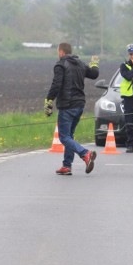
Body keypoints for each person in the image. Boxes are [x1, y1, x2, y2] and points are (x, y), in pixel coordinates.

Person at [45, 42, 99, 175]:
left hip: (67, 106)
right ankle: (67, 166)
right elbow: (93, 74)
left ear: (61, 52)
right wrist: (94, 63)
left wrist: (49, 101)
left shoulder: (61, 64)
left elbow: (56, 84)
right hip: (79, 105)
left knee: (64, 137)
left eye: (58, 52)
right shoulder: (80, 63)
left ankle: (85, 154)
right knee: (69, 136)